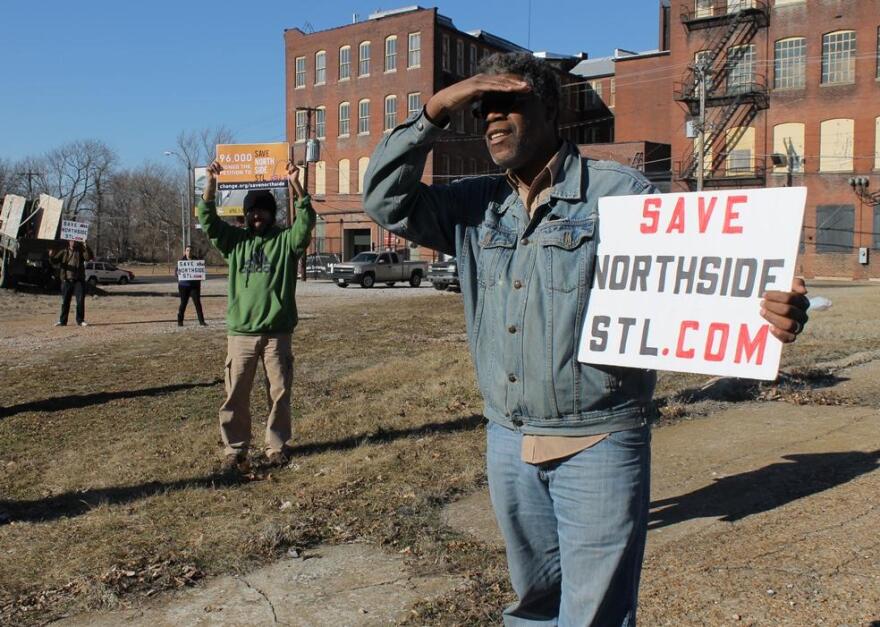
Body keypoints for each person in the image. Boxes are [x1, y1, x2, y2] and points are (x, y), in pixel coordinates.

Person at [362, 52, 810, 626]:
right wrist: (435, 111)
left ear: (550, 109)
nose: (493, 120)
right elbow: (384, 200)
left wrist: (774, 312)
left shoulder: (621, 195)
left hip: (597, 440)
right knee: (534, 605)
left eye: (509, 103)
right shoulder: (474, 205)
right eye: (482, 109)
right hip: (508, 438)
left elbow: (706, 282)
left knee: (594, 615)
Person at [198, 161, 315, 473]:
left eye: (263, 210)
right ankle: (234, 450)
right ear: (246, 214)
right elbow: (208, 221)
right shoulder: (235, 242)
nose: (257, 215)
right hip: (241, 334)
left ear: (271, 213)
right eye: (252, 211)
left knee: (279, 393)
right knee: (235, 395)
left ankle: (276, 447)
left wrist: (296, 184)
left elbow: (306, 223)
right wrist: (210, 184)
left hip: (277, 333)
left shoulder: (285, 242)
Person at [51, 240, 94, 327]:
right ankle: (62, 321)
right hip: (67, 280)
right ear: (68, 241)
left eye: (74, 241)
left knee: (80, 301)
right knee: (65, 301)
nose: (73, 242)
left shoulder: (81, 250)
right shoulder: (64, 251)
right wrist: (51, 255)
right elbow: (55, 261)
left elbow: (88, 257)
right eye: (71, 241)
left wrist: (86, 246)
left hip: (79, 280)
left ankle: (80, 320)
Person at [175, 245, 207, 327]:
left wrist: (201, 274)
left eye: (190, 250)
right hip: (183, 286)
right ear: (185, 252)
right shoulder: (181, 262)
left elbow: (200, 271)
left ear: (192, 252)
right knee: (183, 304)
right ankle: (180, 321)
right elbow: (176, 273)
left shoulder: (197, 261)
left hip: (194, 286)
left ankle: (201, 321)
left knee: (197, 303)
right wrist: (177, 273)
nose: (189, 252)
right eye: (187, 250)